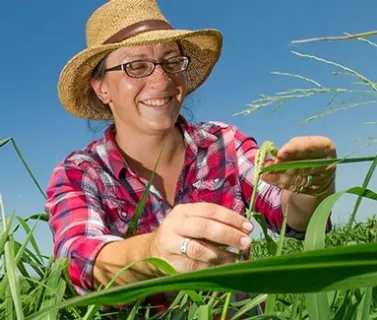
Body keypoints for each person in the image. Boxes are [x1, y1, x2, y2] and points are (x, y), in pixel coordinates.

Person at [44, 0, 335, 316]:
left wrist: (311, 185)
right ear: (101, 88)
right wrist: (152, 253)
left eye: (171, 61)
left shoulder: (223, 143)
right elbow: (77, 263)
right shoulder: (79, 173)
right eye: (136, 66)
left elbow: (288, 212)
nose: (161, 81)